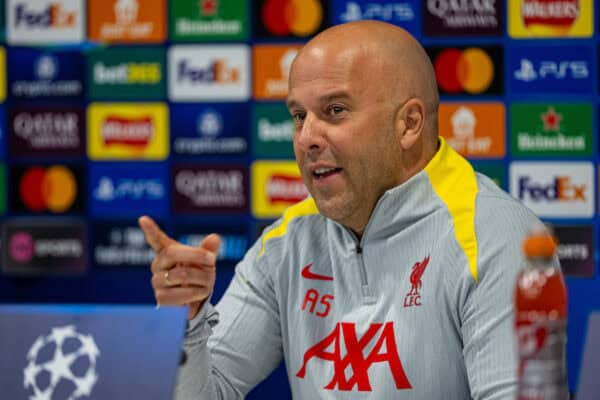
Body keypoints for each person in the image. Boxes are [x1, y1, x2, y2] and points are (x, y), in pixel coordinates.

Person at [139, 20, 550, 399]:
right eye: (299, 116)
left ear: (409, 124)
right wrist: (187, 321)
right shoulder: (287, 242)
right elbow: (210, 391)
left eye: (335, 111)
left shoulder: (496, 236)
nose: (306, 138)